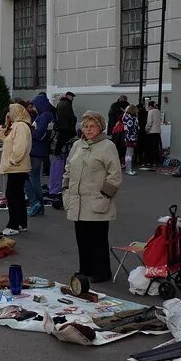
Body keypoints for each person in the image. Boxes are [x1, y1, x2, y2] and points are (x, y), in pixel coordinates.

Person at [63, 111, 122, 283]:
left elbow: (115, 174)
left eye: (92, 126)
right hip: (77, 201)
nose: (88, 130)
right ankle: (85, 268)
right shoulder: (77, 145)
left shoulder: (107, 146)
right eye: (85, 126)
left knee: (98, 239)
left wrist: (105, 193)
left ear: (100, 127)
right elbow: (68, 167)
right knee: (82, 238)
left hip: (96, 200)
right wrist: (65, 188)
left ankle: (102, 272)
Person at [0, 102, 32, 236]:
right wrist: (5, 124)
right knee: (17, 196)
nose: (9, 114)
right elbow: (4, 138)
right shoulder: (16, 125)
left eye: (11, 112)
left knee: (12, 195)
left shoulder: (21, 126)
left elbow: (21, 147)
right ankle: (21, 223)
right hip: (16, 167)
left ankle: (13, 225)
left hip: (17, 167)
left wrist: (13, 159)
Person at [26, 92, 55, 217]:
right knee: (34, 178)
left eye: (35, 105)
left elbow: (39, 134)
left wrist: (27, 132)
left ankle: (36, 203)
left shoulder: (44, 116)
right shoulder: (47, 115)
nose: (34, 108)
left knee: (32, 179)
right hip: (39, 150)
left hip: (37, 150)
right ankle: (39, 205)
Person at [54, 92, 77, 156]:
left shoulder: (59, 103)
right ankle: (64, 155)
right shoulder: (67, 104)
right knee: (66, 141)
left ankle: (57, 153)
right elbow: (70, 116)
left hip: (60, 126)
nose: (72, 99)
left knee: (60, 141)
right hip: (67, 126)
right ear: (69, 96)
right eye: (72, 97)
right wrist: (74, 120)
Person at [142, 100, 163, 168]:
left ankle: (150, 161)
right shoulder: (158, 111)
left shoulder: (151, 112)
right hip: (157, 131)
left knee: (150, 147)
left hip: (151, 132)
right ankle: (155, 161)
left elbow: (149, 122)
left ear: (150, 106)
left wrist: (146, 129)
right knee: (156, 147)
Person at [121, 104, 140, 176]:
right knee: (129, 154)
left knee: (128, 153)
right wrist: (133, 138)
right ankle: (129, 169)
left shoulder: (126, 116)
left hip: (128, 137)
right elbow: (131, 129)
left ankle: (128, 169)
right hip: (130, 137)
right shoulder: (130, 118)